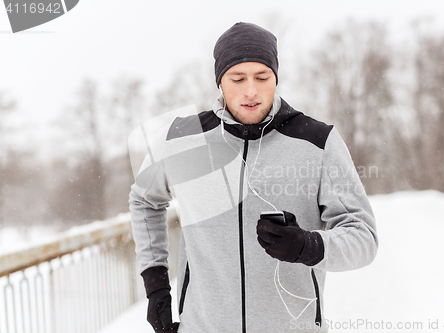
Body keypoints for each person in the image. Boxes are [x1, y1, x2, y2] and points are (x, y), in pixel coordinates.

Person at [129, 22, 378, 333]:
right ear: (220, 82)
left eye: (262, 77)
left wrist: (308, 245)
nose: (251, 91)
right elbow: (143, 200)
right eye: (237, 78)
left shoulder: (316, 142)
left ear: (275, 79)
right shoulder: (182, 138)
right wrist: (155, 285)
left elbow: (363, 236)